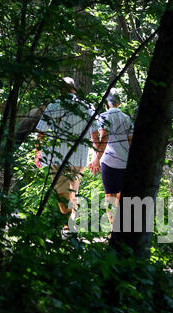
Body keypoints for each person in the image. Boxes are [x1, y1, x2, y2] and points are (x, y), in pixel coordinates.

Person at [35, 77, 99, 239]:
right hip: (77, 158)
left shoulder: (54, 107)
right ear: (74, 90)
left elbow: (41, 133)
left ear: (60, 91)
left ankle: (69, 228)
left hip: (59, 158)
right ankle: (70, 225)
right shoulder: (85, 107)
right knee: (70, 195)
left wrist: (38, 152)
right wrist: (96, 157)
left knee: (67, 196)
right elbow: (95, 134)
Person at [88, 89, 133, 231]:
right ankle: (123, 229)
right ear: (119, 103)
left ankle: (114, 229)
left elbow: (103, 138)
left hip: (109, 162)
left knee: (110, 197)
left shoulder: (102, 117)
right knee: (122, 197)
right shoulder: (127, 118)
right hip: (125, 162)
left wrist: (96, 159)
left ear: (107, 104)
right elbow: (131, 141)